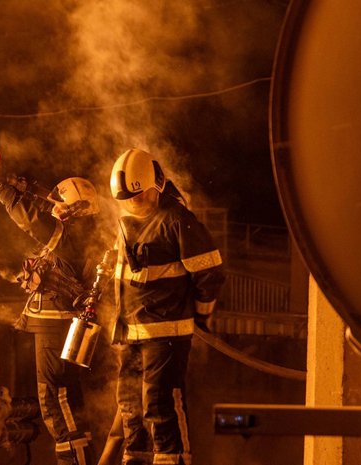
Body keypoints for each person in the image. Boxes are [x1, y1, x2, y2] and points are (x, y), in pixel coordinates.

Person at [106, 148, 225, 465]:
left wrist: (201, 316)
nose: (134, 202)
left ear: (153, 185)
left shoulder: (178, 222)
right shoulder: (127, 225)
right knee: (130, 402)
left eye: (139, 195)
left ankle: (173, 460)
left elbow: (210, 274)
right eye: (128, 198)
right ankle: (137, 458)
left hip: (166, 331)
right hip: (131, 331)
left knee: (159, 402)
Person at [0, 162, 100, 465]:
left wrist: (2, 189)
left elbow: (30, 220)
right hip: (60, 331)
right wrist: (26, 188)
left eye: (59, 204)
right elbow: (42, 211)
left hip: (56, 333)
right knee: (66, 406)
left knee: (57, 403)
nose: (54, 208)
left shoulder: (69, 237)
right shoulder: (82, 235)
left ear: (72, 210)